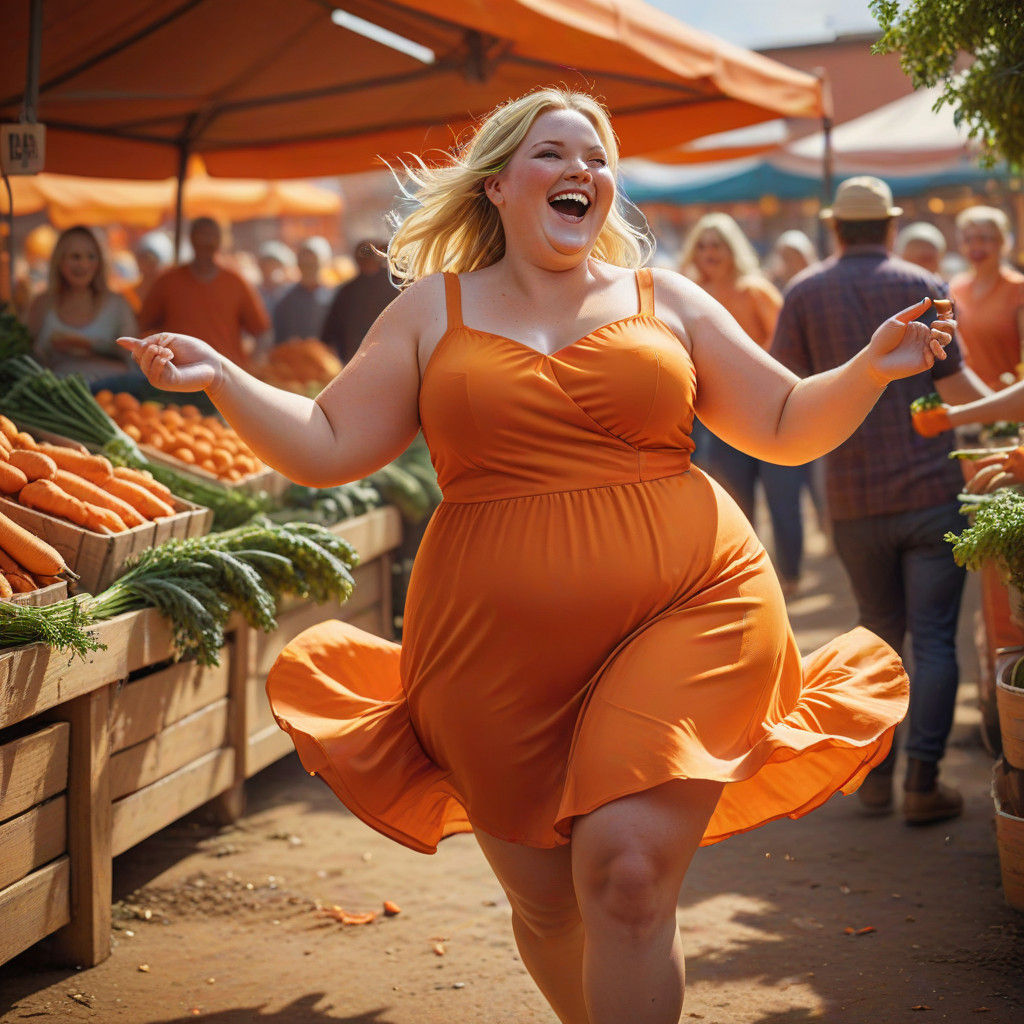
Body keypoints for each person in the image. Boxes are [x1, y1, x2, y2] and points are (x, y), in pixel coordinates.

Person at [121, 90, 955, 1024]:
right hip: (490, 652)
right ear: (497, 185)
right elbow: (327, 442)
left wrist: (867, 370)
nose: (581, 171)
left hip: (692, 603)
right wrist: (224, 378)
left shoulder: (667, 298)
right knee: (550, 905)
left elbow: (786, 423)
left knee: (628, 876)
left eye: (597, 159)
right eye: (554, 153)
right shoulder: (429, 311)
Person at [772, 175, 991, 827]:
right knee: (935, 639)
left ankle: (872, 778)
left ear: (836, 227)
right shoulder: (922, 285)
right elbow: (957, 388)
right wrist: (1006, 415)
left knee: (877, 637)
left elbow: (785, 388)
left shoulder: (803, 291)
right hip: (930, 490)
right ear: (892, 226)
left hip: (852, 496)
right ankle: (923, 782)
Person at [679, 214, 804, 593]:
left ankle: (790, 576)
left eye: (717, 245)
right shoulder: (688, 293)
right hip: (717, 419)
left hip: (770, 413)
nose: (709, 253)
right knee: (734, 503)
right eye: (702, 245)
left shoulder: (754, 290)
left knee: (783, 500)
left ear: (732, 249)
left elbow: (787, 343)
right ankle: (750, 580)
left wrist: (741, 365)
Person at [138, 217, 270, 368]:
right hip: (178, 373)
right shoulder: (168, 281)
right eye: (201, 235)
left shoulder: (236, 282)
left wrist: (254, 364)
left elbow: (261, 331)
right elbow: (144, 326)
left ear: (220, 241)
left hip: (225, 373)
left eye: (211, 236)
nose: (205, 242)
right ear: (192, 239)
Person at [26, 224, 136, 383]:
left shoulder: (118, 305)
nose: (83, 265)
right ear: (60, 260)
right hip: (55, 391)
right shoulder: (42, 303)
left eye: (91, 256)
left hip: (112, 391)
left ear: (100, 261)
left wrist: (89, 346)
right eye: (75, 257)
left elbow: (133, 354)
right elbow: (27, 354)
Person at [949, 205, 1024, 390]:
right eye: (968, 240)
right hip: (966, 397)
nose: (975, 247)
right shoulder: (955, 288)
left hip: (1007, 398)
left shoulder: (1018, 288)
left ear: (1002, 242)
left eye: (983, 239)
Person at [320, 238, 398, 363]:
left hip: (375, 357)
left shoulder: (393, 287)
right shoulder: (393, 286)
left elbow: (329, 333)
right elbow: (330, 331)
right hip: (362, 357)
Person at [272, 237, 334, 343]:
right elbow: (278, 338)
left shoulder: (333, 297)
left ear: (324, 263)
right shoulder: (285, 299)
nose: (308, 266)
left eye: (312, 264)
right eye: (304, 263)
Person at [122, 231, 175, 313]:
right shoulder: (126, 295)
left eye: (152, 261)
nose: (146, 266)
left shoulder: (171, 296)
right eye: (143, 259)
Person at [256, 240, 296, 316]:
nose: (270, 268)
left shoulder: (290, 293)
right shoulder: (254, 292)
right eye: (266, 264)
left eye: (275, 264)